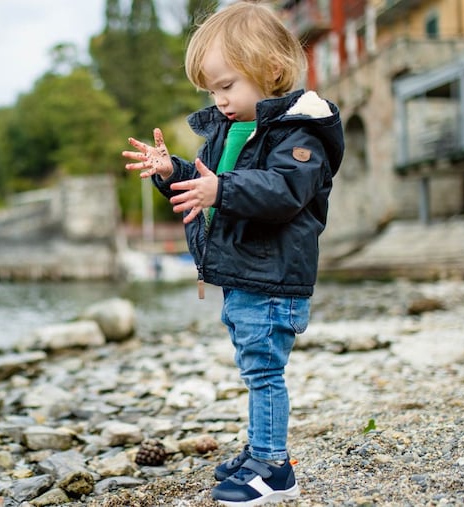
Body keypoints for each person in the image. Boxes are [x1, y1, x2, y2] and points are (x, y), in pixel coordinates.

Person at [122, 1, 344, 505]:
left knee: (264, 368)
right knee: (253, 363)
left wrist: (220, 190)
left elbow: (283, 191)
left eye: (227, 86)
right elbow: (206, 186)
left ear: (269, 71)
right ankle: (260, 448)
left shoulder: (299, 132)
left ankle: (274, 466)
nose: (219, 99)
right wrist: (171, 172)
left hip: (273, 274)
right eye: (211, 90)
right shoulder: (228, 129)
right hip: (243, 273)